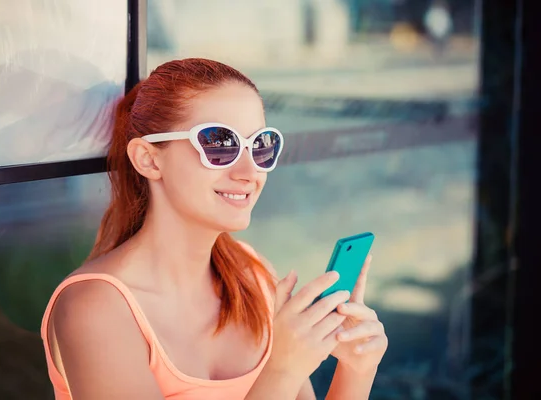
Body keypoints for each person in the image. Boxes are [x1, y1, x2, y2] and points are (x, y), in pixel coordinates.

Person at [40, 58, 388, 399]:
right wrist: (282, 370)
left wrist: (357, 370)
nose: (249, 172)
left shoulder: (252, 276)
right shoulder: (95, 308)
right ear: (148, 158)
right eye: (220, 144)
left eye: (260, 146)